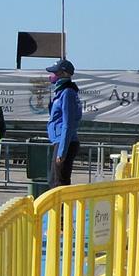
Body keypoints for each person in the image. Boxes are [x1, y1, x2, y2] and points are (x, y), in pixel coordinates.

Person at [47, 59, 82, 187]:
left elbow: (68, 123)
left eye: (55, 72)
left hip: (65, 141)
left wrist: (62, 151)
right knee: (54, 181)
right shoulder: (61, 92)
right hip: (59, 139)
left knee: (58, 182)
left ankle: (60, 207)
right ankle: (57, 207)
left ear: (64, 74)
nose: (52, 75)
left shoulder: (67, 93)